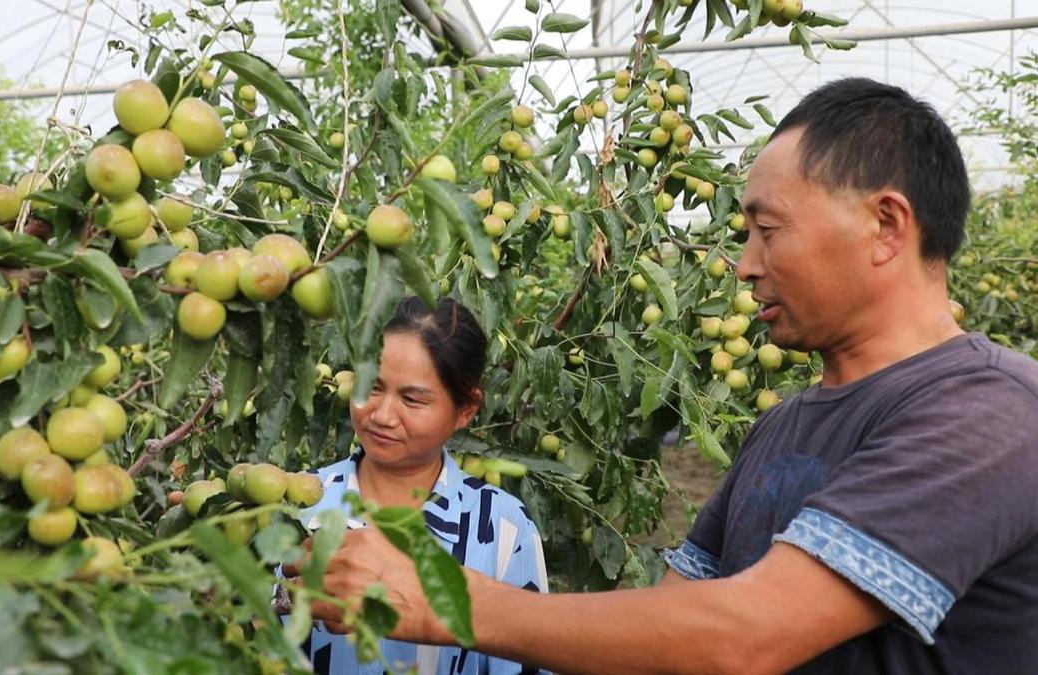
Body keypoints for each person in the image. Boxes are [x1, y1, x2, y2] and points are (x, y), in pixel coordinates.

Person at [292, 78, 1038, 673]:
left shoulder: (990, 412)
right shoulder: (782, 424)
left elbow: (742, 639)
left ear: (885, 225)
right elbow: (672, 631)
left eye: (766, 230)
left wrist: (442, 599)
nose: (744, 263)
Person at [291, 296, 548, 674]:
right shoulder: (300, 502)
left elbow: (528, 658)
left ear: (465, 411)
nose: (381, 415)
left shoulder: (502, 530)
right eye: (371, 387)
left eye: (412, 399)